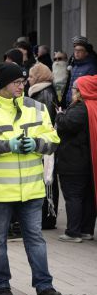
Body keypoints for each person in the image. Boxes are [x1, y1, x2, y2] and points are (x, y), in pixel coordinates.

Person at [0, 62, 62, 295]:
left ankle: (45, 287)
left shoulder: (37, 107)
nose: (21, 86)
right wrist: (8, 145)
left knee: (35, 239)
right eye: (16, 82)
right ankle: (1, 285)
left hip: (32, 189)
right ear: (3, 84)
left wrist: (36, 144)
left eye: (23, 82)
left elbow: (53, 140)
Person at [55, 79, 95, 242]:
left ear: (80, 91)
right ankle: (86, 230)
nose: (71, 91)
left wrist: (59, 115)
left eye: (74, 88)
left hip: (74, 160)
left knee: (73, 196)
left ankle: (73, 232)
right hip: (87, 160)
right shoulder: (91, 106)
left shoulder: (80, 108)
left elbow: (67, 124)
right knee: (87, 197)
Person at [62, 36, 97, 109]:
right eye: (75, 50)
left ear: (86, 53)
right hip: (70, 104)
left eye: (80, 50)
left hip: (81, 105)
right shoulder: (74, 66)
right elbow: (69, 85)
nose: (77, 52)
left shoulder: (92, 67)